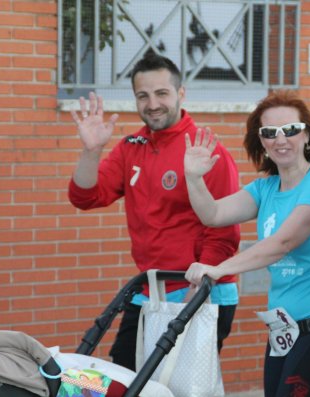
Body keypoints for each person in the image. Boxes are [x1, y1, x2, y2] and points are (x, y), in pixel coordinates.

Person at [67, 51, 240, 370]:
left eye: (162, 93)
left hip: (199, 290)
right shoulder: (131, 146)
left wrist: (196, 295)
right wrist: (91, 151)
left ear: (181, 93)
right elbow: (85, 197)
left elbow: (224, 234)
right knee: (121, 373)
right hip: (149, 290)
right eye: (142, 96)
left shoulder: (203, 151)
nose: (152, 103)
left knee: (178, 388)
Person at [184, 90, 310, 397]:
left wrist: (217, 269)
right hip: (284, 329)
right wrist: (193, 178)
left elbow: (283, 242)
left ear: (306, 136)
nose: (280, 139)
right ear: (260, 141)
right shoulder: (265, 188)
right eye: (269, 132)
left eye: (290, 130)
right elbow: (213, 214)